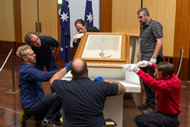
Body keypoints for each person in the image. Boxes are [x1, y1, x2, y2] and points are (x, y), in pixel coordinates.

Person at [50, 58, 126, 127]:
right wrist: (106, 82)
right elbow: (122, 88)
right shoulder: (100, 86)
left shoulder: (64, 87)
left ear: (71, 72)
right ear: (87, 70)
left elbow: (53, 80)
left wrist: (65, 69)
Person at [16, 45, 64, 127]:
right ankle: (46, 122)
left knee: (58, 115)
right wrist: (63, 70)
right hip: (32, 106)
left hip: (36, 102)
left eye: (33, 53)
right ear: (25, 58)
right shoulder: (26, 70)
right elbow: (43, 76)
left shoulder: (29, 67)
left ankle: (28, 115)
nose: (35, 55)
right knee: (60, 94)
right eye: (31, 54)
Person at [122, 61, 181, 127]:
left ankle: (171, 124)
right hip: (162, 111)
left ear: (166, 77)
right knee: (142, 118)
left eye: (157, 74)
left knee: (140, 120)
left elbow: (153, 83)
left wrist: (137, 70)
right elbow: (160, 70)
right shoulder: (170, 74)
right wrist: (149, 64)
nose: (154, 74)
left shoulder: (171, 84)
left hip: (168, 116)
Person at [137, 8, 163, 113]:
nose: (139, 19)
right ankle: (148, 102)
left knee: (151, 83)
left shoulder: (155, 24)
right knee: (146, 82)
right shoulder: (144, 27)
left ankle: (152, 106)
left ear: (147, 15)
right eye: (138, 17)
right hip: (144, 57)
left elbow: (159, 40)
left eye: (140, 17)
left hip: (151, 58)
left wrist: (154, 57)